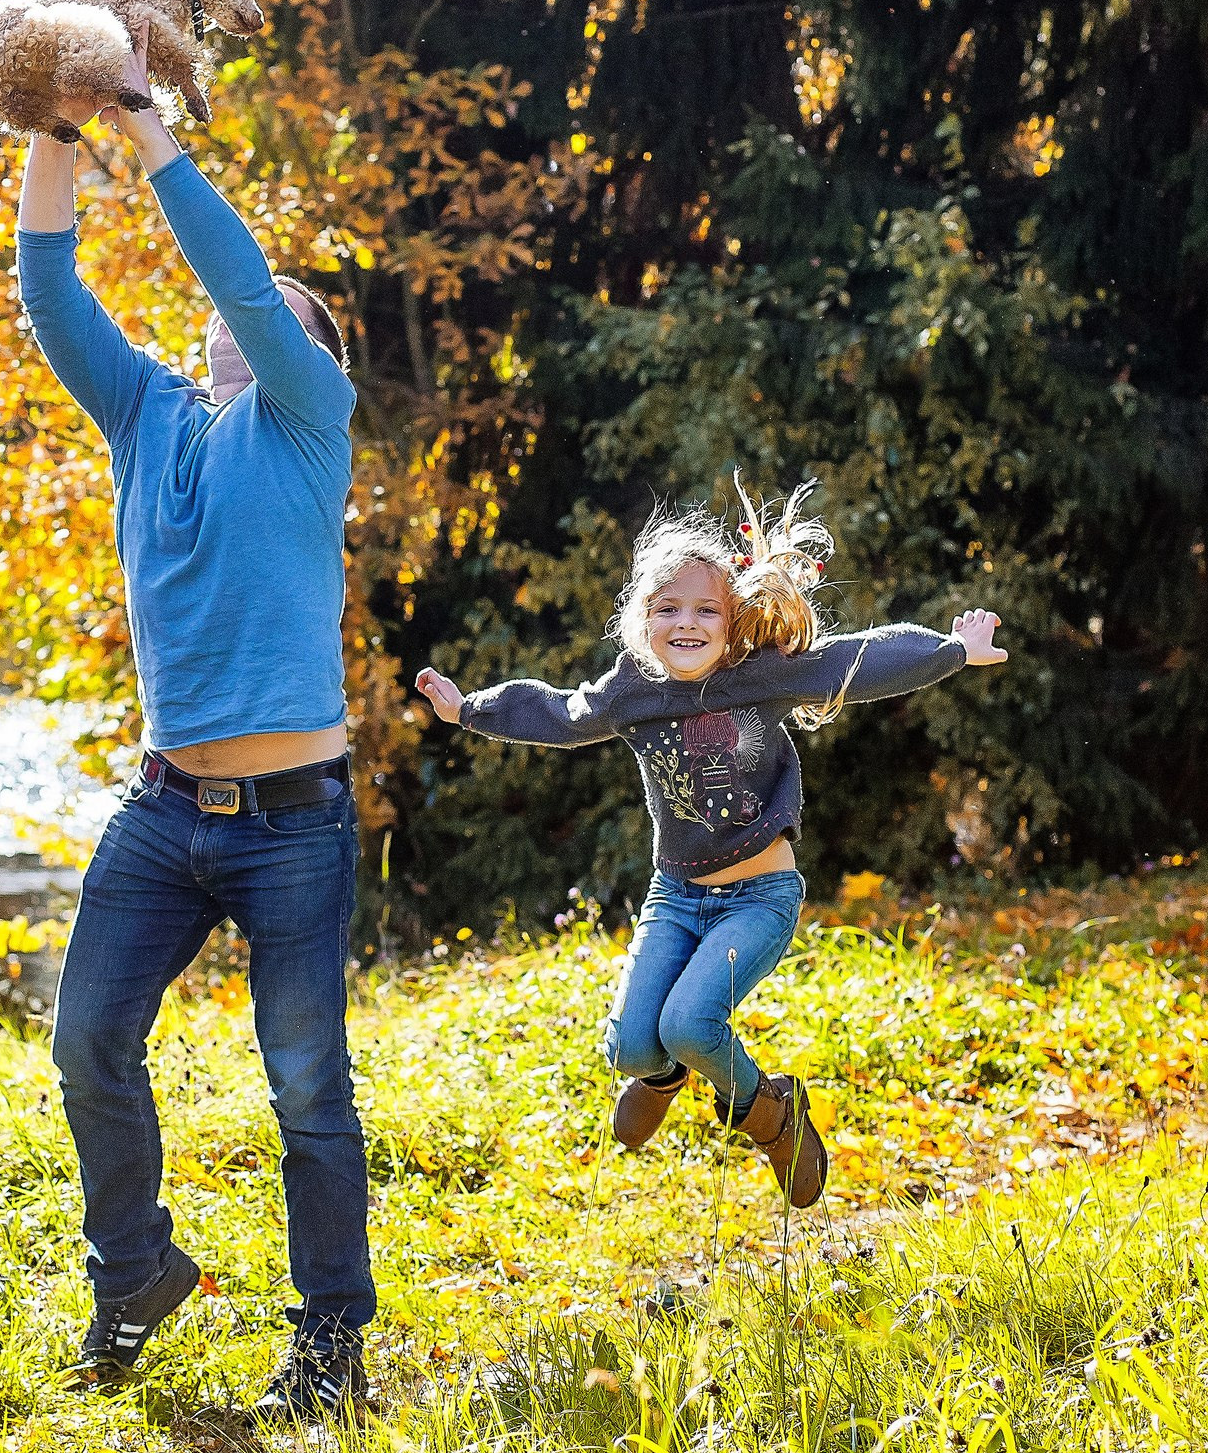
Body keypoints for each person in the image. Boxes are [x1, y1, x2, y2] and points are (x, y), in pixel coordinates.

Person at [18, 36, 371, 1423]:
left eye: (277, 305)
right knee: (86, 1040)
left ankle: (331, 1341)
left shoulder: (307, 417)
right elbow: (52, 287)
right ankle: (135, 1270)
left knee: (305, 1087)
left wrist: (148, 128)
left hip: (295, 823)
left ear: (302, 347)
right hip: (165, 814)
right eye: (240, 306)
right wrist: (50, 112)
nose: (243, 307)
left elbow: (237, 273)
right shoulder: (147, 411)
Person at [414, 479, 1008, 1207]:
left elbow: (858, 662)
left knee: (690, 1023)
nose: (685, 623)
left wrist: (953, 650)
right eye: (667, 609)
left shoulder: (761, 676)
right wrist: (469, 708)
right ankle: (663, 1079)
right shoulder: (634, 688)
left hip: (759, 898)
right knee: (634, 1047)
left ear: (734, 623)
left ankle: (773, 1116)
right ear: (642, 620)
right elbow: (564, 714)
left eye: (705, 610)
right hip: (678, 894)